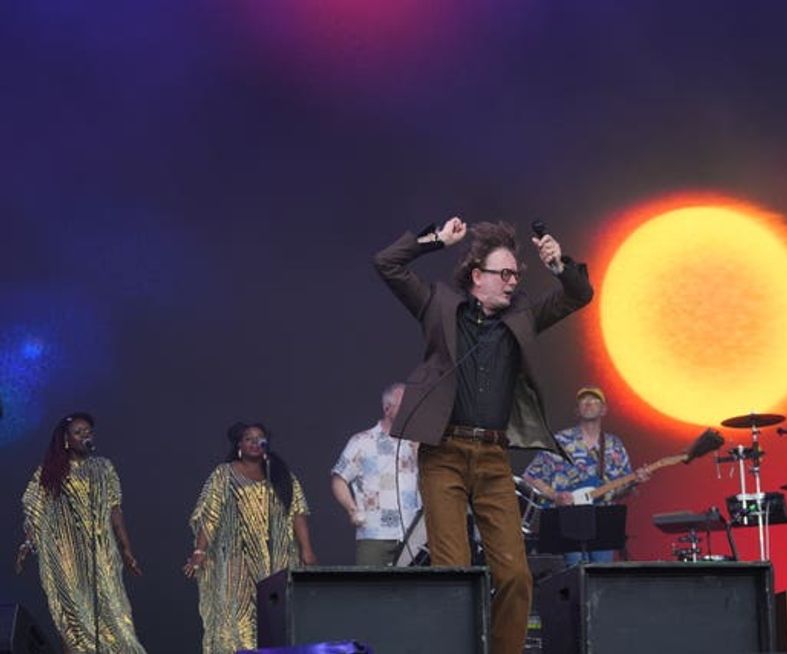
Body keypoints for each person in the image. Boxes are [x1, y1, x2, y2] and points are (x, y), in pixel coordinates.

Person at [373, 217, 593, 654]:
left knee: (514, 575)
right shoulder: (438, 304)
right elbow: (387, 264)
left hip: (493, 458)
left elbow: (579, 294)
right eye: (504, 274)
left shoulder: (522, 319)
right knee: (455, 573)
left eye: (517, 275)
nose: (512, 283)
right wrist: (436, 239)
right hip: (444, 454)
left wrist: (557, 264)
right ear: (477, 276)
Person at [16, 412, 146, 653]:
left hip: (101, 554)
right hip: (66, 558)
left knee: (113, 613)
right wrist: (28, 544)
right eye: (79, 432)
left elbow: (115, 509)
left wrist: (126, 549)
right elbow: (36, 509)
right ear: (66, 440)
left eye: (88, 432)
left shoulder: (103, 467)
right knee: (73, 617)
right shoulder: (51, 471)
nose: (85, 435)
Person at [184, 422, 317, 654]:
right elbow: (209, 515)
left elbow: (298, 512)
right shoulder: (223, 474)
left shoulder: (280, 474)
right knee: (240, 622)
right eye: (249, 438)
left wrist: (307, 550)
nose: (255, 442)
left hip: (278, 560)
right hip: (238, 563)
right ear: (239, 444)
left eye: (260, 438)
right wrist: (199, 551)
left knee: (276, 620)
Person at [523, 385, 649, 564]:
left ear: (604, 410)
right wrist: (555, 496)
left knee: (600, 578)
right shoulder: (560, 441)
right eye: (583, 400)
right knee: (572, 576)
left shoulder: (614, 445)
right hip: (567, 522)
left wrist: (635, 482)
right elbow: (530, 477)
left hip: (603, 524)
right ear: (577, 410)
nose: (589, 403)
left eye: (595, 400)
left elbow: (621, 490)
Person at [331, 382, 422, 565]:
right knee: (371, 591)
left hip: (413, 535)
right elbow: (338, 479)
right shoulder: (362, 441)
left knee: (414, 591)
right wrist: (352, 509)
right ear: (387, 408)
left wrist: (419, 453)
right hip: (374, 534)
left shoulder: (417, 442)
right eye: (404, 404)